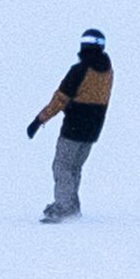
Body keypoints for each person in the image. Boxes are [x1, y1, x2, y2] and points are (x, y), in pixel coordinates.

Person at [27, 27, 113, 222]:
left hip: (74, 127)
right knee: (74, 167)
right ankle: (71, 206)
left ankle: (64, 208)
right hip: (93, 129)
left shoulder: (79, 70)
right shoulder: (107, 71)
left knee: (62, 166)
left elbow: (60, 99)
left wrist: (39, 120)